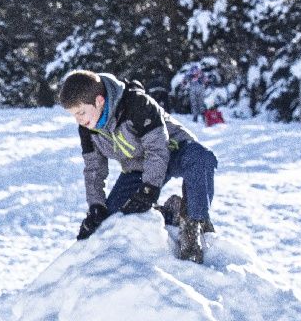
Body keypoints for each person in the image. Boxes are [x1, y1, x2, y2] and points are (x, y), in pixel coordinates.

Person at [59, 68, 219, 265]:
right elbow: (94, 169)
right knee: (112, 218)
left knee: (201, 158)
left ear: (99, 100)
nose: (79, 120)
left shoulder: (136, 104)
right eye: (74, 115)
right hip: (138, 167)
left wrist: (149, 189)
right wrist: (96, 206)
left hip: (172, 150)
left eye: (81, 112)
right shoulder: (88, 129)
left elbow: (158, 150)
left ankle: (195, 223)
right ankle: (170, 212)